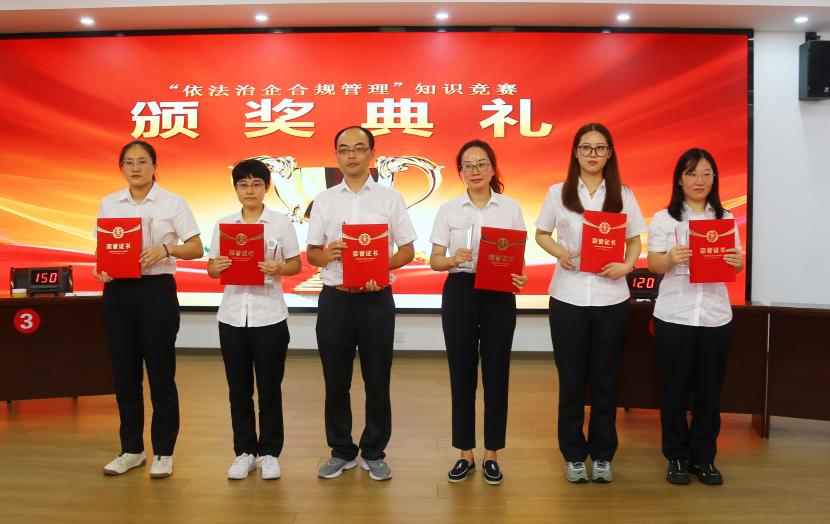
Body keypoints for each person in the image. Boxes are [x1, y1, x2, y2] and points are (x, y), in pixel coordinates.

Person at [534, 123, 646, 483]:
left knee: (605, 381)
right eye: (586, 148)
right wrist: (560, 252)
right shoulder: (558, 192)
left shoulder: (623, 193)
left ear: (609, 153)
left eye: (600, 148)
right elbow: (541, 234)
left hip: (612, 298)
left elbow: (634, 239)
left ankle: (602, 455)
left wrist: (628, 266)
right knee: (571, 381)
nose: (593, 154)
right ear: (576, 152)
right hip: (568, 296)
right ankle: (573, 454)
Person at [306, 126, 417, 481]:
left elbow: (407, 250)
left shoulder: (390, 199)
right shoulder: (324, 200)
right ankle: (341, 450)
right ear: (336, 155)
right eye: (344, 149)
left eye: (358, 148)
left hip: (376, 300)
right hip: (336, 300)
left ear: (372, 153)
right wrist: (328, 253)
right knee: (335, 381)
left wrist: (380, 269)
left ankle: (374, 451)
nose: (351, 155)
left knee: (377, 380)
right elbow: (311, 254)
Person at [94, 140, 203, 478]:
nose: (136, 167)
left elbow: (196, 248)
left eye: (142, 161)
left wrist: (166, 249)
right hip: (117, 292)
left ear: (155, 166)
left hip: (156, 292)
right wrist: (103, 269)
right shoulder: (109, 203)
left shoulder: (173, 202)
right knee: (125, 377)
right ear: (121, 168)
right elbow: (104, 248)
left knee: (160, 375)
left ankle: (164, 452)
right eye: (129, 162)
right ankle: (132, 450)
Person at [428, 140, 527, 485]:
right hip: (460, 291)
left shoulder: (510, 208)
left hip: (499, 294)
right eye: (468, 166)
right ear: (460, 172)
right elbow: (434, 260)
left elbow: (517, 257)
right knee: (462, 373)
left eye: (481, 164)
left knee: (497, 374)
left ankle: (492, 454)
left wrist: (519, 276)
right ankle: (465, 453)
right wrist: (452, 259)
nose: (475, 171)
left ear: (492, 168)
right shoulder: (449, 210)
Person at [647, 148, 744, 486]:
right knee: (674, 390)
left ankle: (704, 458)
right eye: (691, 174)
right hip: (675, 315)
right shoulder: (664, 219)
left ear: (714, 178)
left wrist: (737, 262)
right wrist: (670, 259)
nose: (699, 180)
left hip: (715, 316)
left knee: (709, 392)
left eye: (706, 173)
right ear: (679, 179)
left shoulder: (726, 218)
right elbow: (653, 264)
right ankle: (676, 456)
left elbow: (735, 262)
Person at [206, 159, 302, 480]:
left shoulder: (280, 223)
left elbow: (295, 265)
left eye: (256, 184)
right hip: (232, 317)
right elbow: (211, 268)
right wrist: (217, 267)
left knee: (270, 389)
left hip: (270, 316)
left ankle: (270, 453)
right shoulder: (224, 224)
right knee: (238, 390)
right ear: (236, 189)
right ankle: (244, 452)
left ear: (266, 187)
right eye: (243, 185)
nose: (250, 190)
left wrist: (279, 269)